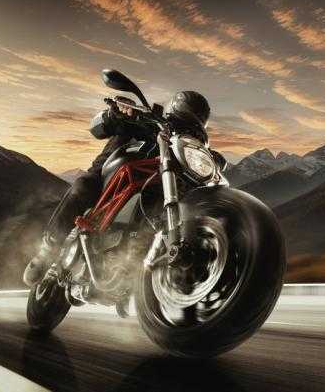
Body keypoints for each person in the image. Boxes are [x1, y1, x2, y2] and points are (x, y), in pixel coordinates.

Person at [23, 91, 211, 287]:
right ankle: (47, 251)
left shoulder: (189, 146)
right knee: (83, 187)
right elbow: (97, 128)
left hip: (156, 188)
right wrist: (115, 114)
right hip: (108, 174)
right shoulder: (143, 118)